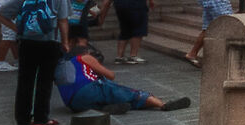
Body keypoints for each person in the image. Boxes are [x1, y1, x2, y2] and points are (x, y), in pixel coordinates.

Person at [0, 0, 70, 125]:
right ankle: (41, 117)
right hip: (50, 41)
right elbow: (63, 20)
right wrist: (65, 42)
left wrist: (18, 29)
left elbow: (0, 13)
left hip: (26, 42)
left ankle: (22, 118)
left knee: (25, 80)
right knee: (45, 80)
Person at [55, 37, 190, 114]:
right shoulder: (84, 58)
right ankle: (162, 104)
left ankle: (105, 108)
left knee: (105, 97)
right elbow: (111, 75)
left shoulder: (62, 64)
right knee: (125, 91)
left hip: (73, 104)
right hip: (88, 90)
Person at [107, 0, 154, 64]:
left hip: (120, 8)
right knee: (138, 30)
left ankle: (119, 56)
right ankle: (134, 55)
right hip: (136, 6)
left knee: (124, 31)